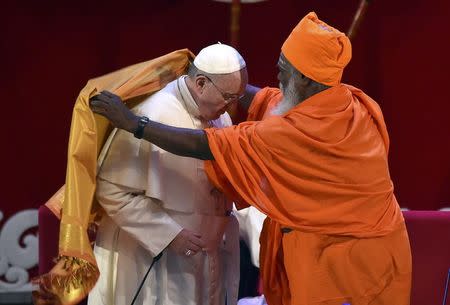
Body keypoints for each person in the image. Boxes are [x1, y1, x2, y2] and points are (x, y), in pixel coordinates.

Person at [90, 12, 412, 305]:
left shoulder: (289, 133)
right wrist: (221, 78)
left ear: (306, 80)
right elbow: (268, 99)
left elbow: (210, 145)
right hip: (379, 249)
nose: (277, 75)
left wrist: (135, 125)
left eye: (284, 70)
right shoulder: (349, 101)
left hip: (346, 261)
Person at [89, 43, 248, 305]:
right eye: (228, 97)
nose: (231, 107)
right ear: (200, 83)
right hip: (156, 258)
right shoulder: (152, 114)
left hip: (206, 258)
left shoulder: (221, 117)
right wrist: (168, 235)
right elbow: (110, 188)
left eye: (237, 98)